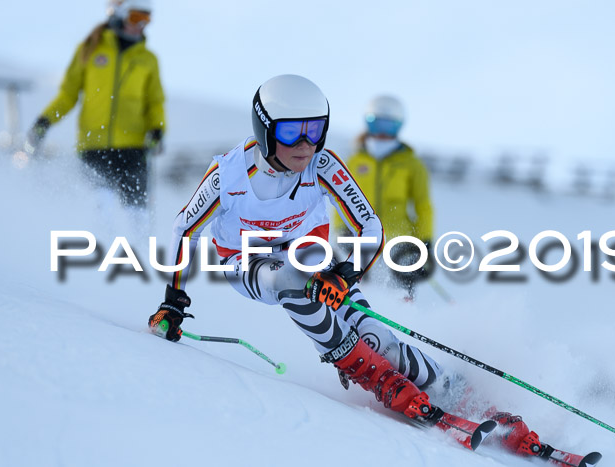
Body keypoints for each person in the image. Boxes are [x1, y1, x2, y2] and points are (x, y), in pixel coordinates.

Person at [147, 75, 545, 459]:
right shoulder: (228, 176)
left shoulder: (321, 164)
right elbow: (185, 228)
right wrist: (174, 301)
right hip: (247, 263)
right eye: (290, 133)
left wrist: (346, 274)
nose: (305, 144)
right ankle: (374, 377)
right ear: (265, 129)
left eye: (315, 130)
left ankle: (467, 399)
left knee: (378, 339)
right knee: (291, 280)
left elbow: (369, 225)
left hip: (312, 261)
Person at [25, 0, 165, 210]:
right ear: (117, 14)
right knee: (101, 205)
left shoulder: (148, 59)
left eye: (146, 19)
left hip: (134, 149)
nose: (141, 25)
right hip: (94, 148)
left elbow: (155, 102)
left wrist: (157, 130)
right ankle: (99, 241)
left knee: (137, 214)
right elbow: (68, 95)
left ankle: (138, 243)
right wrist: (45, 121)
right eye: (135, 17)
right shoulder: (89, 50)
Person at [335, 96, 434, 298]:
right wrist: (341, 230)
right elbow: (339, 197)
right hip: (362, 238)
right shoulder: (355, 162)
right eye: (376, 124)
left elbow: (423, 205)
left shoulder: (412, 164)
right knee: (362, 292)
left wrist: (425, 242)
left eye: (389, 126)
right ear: (367, 124)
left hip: (399, 242)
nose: (382, 132)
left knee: (399, 295)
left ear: (398, 127)